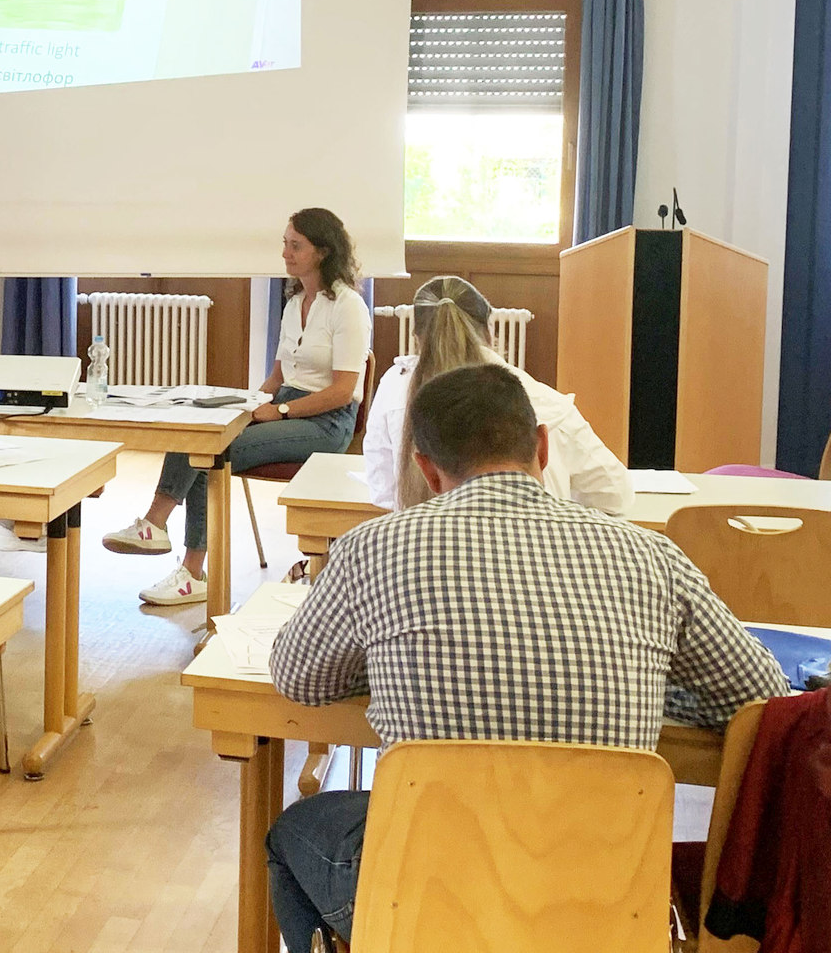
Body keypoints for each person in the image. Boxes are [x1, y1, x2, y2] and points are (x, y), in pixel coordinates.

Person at [264, 364, 790, 952]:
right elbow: (764, 699)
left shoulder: (374, 548)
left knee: (291, 835)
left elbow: (297, 677)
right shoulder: (651, 556)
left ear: (427, 470)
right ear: (541, 446)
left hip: (431, 887)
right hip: (607, 894)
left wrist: (385, 654)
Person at [104, 208, 372, 605]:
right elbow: (277, 378)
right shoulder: (295, 301)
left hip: (326, 421)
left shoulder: (348, 306)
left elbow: (344, 391)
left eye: (295, 245)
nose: (285, 253)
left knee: (211, 451)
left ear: (322, 252)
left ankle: (167, 539)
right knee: (200, 430)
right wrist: (247, 405)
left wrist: (279, 412)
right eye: (285, 243)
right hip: (282, 406)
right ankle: (177, 554)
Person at [363, 275, 632, 513]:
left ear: (417, 338)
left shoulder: (392, 388)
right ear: (490, 334)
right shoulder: (547, 403)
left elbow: (383, 492)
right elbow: (615, 495)